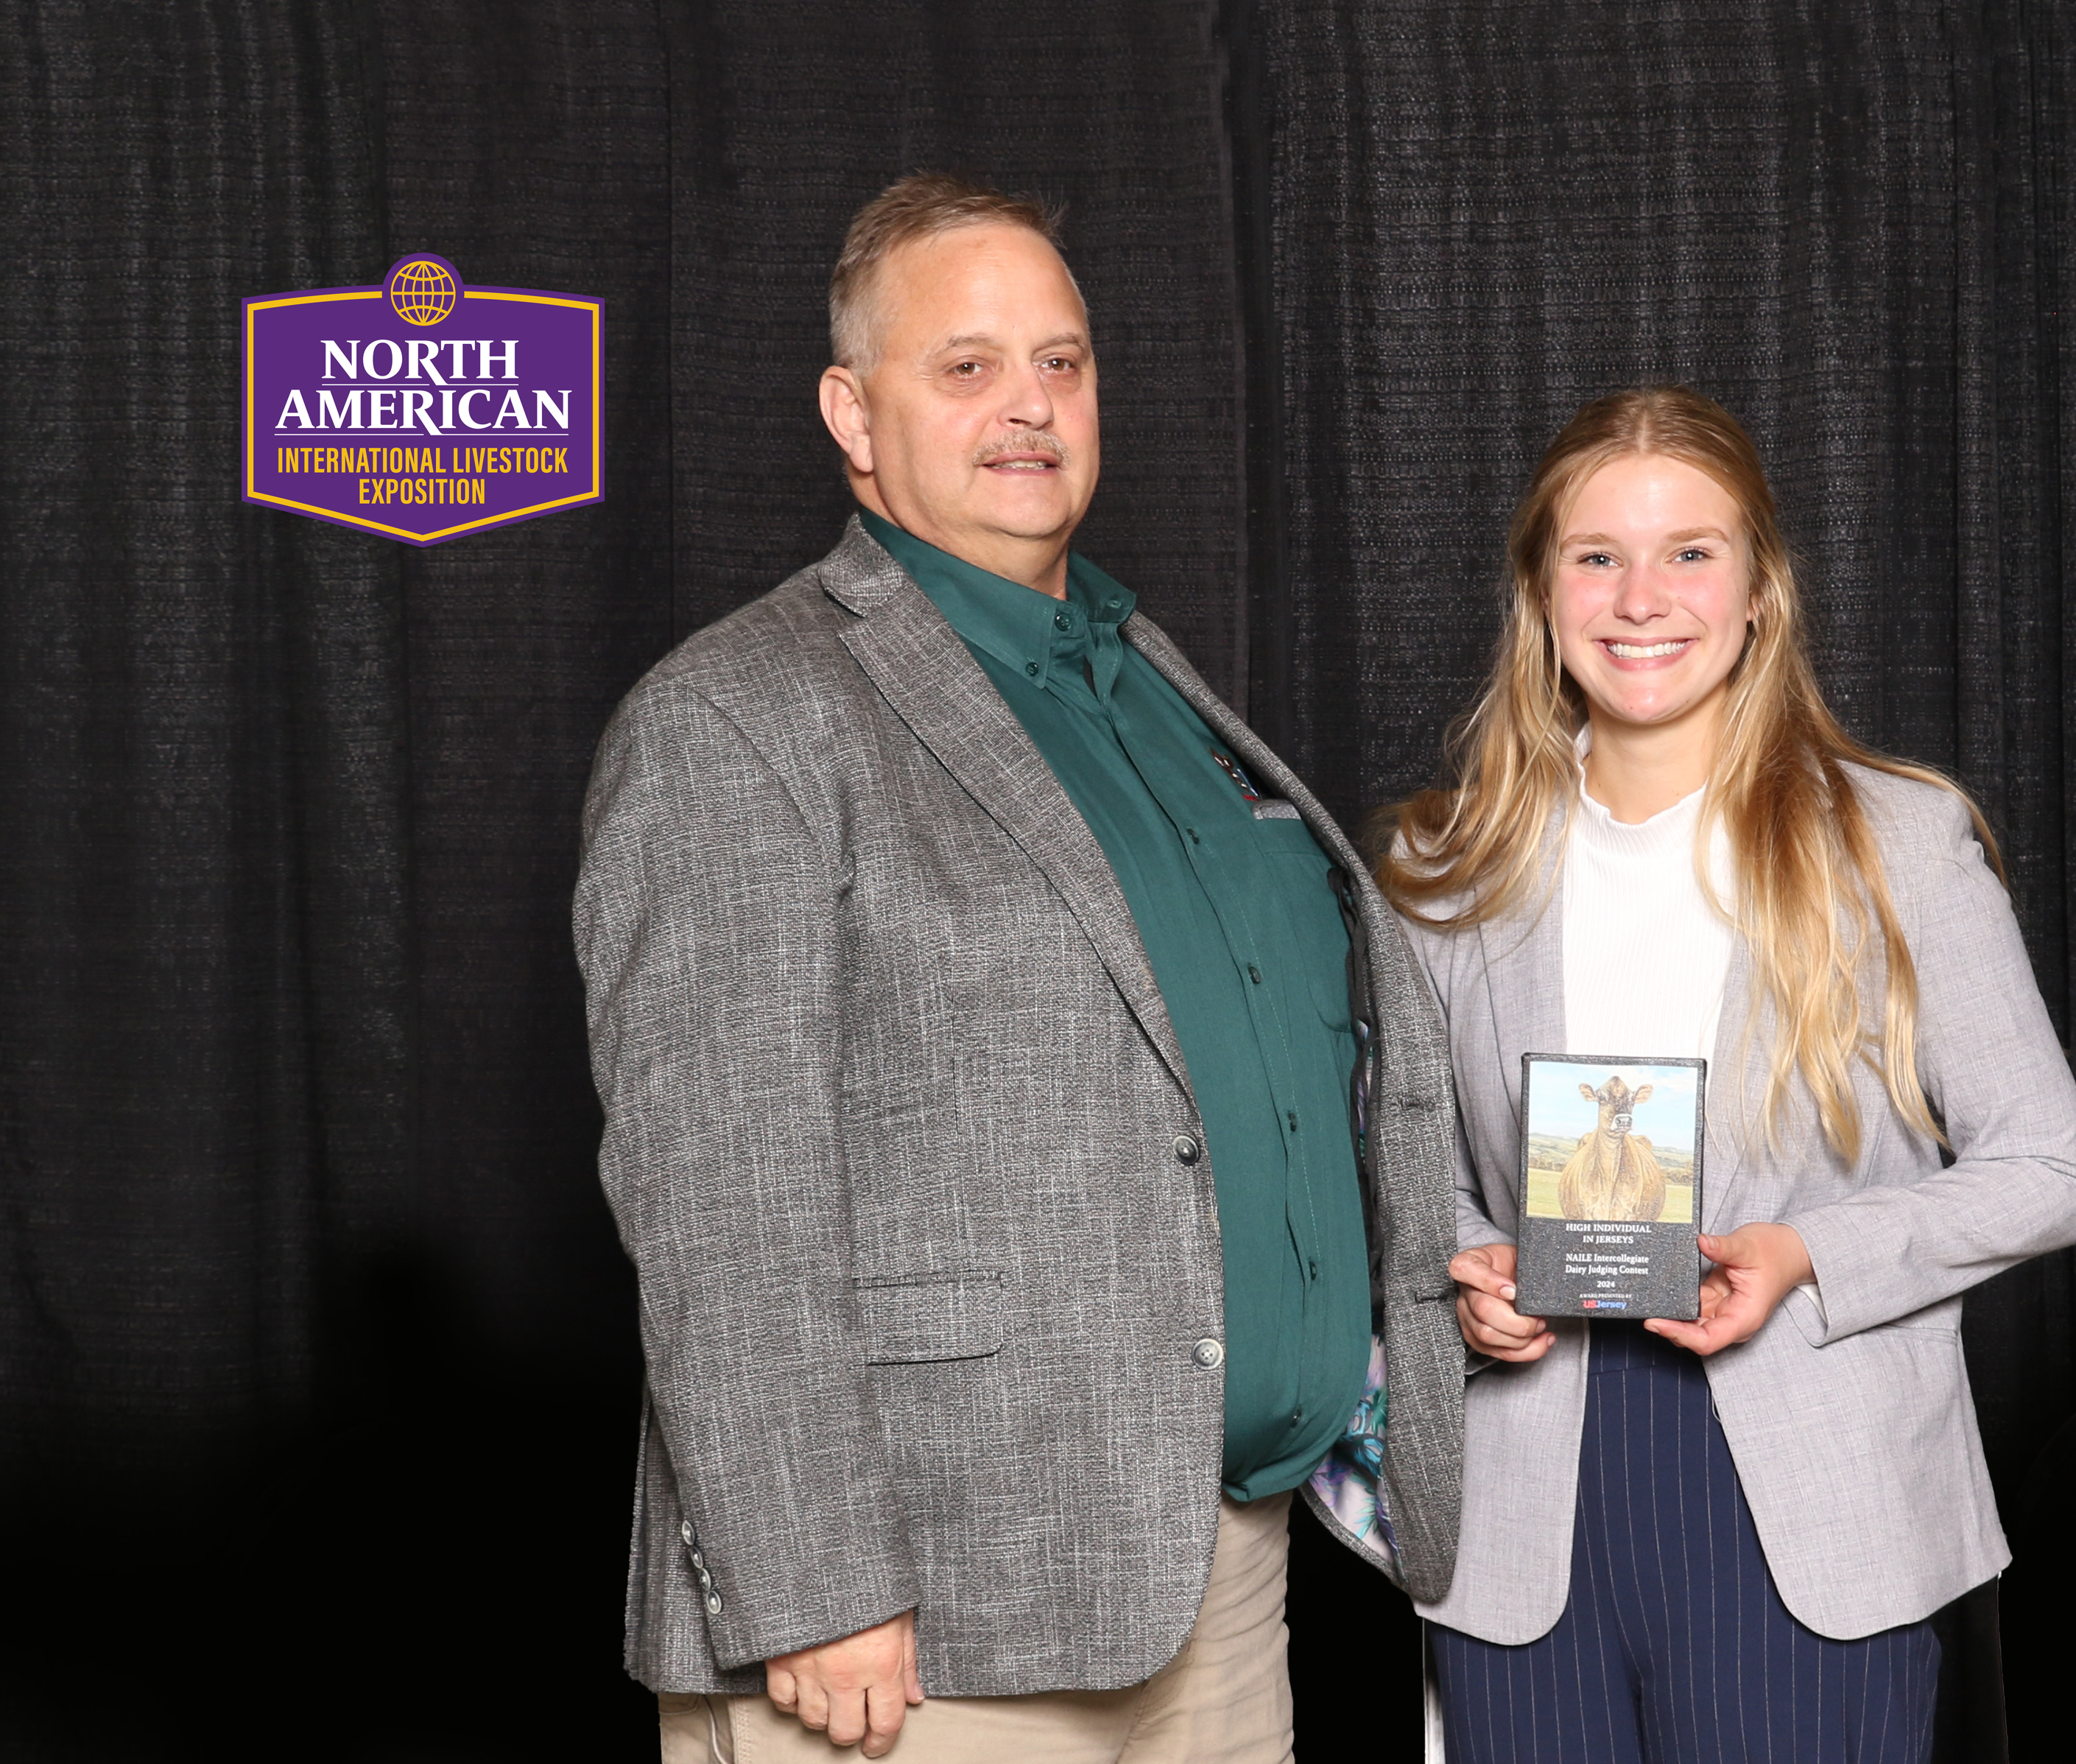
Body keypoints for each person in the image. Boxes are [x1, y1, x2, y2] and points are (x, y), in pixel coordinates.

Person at [574, 171, 1464, 1764]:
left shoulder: (1145, 683)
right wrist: (814, 1587)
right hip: (917, 1625)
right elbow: (723, 1200)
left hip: (1214, 1573)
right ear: (853, 413)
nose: (1030, 405)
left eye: (1061, 360)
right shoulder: (737, 718)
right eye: (966, 365)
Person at [1378, 387, 2076, 1763]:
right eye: (1596, 556)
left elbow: (2051, 1173)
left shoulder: (1900, 840)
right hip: (1527, 1512)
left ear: (1762, 586)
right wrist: (1468, 1270)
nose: (1641, 597)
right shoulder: (1441, 870)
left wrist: (1803, 1254)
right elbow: (1402, 1175)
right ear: (1539, 591)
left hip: (1813, 1501)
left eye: (1690, 553)